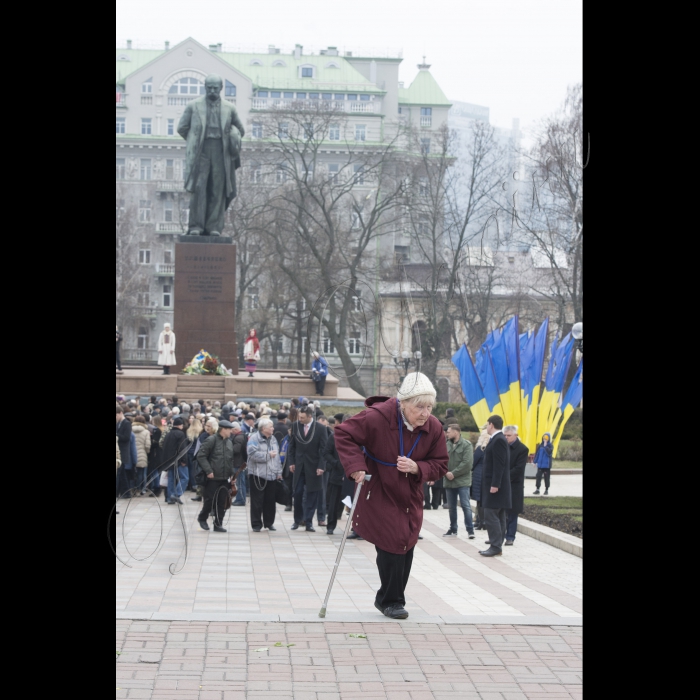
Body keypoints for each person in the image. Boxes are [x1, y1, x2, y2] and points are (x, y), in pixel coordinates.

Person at [334, 372, 448, 620]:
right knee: (391, 541)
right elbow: (343, 433)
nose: (425, 413)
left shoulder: (434, 427)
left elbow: (440, 463)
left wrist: (418, 468)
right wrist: (356, 466)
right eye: (419, 407)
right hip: (380, 488)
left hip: (411, 494)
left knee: (406, 543)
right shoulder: (376, 417)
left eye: (429, 407)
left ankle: (390, 597)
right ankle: (391, 600)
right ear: (402, 402)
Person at [177, 73, 245, 236]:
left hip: (221, 152)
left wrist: (232, 137)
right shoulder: (193, 106)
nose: (212, 90)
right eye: (209, 88)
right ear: (205, 88)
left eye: (215, 88)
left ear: (221, 88)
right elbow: (182, 127)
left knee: (217, 189)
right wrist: (194, 140)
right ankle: (196, 226)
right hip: (202, 150)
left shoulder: (230, 108)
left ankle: (214, 227)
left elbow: (240, 130)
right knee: (199, 188)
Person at [288, 405, 328, 532]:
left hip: (314, 467)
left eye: (302, 418)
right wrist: (291, 462)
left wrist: (322, 466)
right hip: (299, 466)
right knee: (298, 493)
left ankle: (309, 521)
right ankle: (297, 520)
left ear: (310, 417)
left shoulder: (320, 428)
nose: (300, 419)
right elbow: (292, 446)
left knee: (312, 495)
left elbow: (324, 449)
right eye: (299, 417)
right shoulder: (295, 426)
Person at [479, 415, 511, 557]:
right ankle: (497, 544)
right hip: (495, 485)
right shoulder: (497, 439)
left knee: (491, 515)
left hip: (495, 487)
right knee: (498, 515)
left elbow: (500, 464)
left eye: (487, 425)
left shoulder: (498, 440)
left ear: (491, 424)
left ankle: (495, 545)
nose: (487, 427)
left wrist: (495, 484)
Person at [196, 420, 236, 532]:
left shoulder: (229, 442)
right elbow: (201, 456)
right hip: (212, 478)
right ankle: (202, 518)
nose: (231, 432)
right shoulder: (211, 440)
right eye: (229, 430)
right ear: (223, 429)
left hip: (225, 478)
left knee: (222, 502)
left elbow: (230, 460)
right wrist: (208, 470)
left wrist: (232, 476)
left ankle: (218, 524)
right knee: (209, 500)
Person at [247, 418, 283, 532]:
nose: (273, 428)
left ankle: (269, 523)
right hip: (258, 474)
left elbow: (277, 457)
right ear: (263, 428)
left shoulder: (273, 439)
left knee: (270, 501)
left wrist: (278, 472)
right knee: (257, 501)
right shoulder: (254, 438)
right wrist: (267, 455)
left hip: (272, 474)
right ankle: (256, 524)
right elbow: (252, 454)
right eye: (271, 427)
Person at [442, 424, 475, 539]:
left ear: (456, 432)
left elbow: (467, 463)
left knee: (466, 505)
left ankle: (470, 530)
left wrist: (453, 473)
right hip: (449, 480)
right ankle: (453, 529)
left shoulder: (466, 445)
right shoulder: (445, 445)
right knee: (451, 507)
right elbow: (441, 460)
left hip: (462, 481)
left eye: (449, 432)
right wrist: (446, 472)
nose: (447, 434)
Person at [503, 425, 529, 546]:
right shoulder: (502, 446)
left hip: (514, 485)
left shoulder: (522, 449)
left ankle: (510, 536)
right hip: (502, 484)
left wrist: (503, 476)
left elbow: (518, 469)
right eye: (505, 435)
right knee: (501, 512)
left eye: (508, 435)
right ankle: (499, 535)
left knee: (512, 512)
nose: (506, 437)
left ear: (515, 435)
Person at [162, 416, 189, 505]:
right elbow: (182, 448)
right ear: (180, 425)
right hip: (179, 461)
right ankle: (176, 494)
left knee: (171, 479)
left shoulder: (168, 434)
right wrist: (184, 460)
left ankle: (170, 498)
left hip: (169, 461)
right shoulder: (180, 434)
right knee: (185, 478)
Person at [471, 428, 490, 530]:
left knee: (479, 501)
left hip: (478, 475)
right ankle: (482, 521)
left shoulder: (480, 449)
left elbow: (473, 462)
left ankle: (481, 521)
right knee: (484, 500)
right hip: (486, 475)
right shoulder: (491, 448)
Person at [116, 406, 133, 497]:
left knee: (119, 473)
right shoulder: (118, 423)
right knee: (121, 474)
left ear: (120, 413)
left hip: (122, 451)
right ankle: (126, 493)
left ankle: (121, 492)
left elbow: (126, 437)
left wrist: (116, 435)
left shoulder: (126, 423)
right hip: (118, 451)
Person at [132, 416, 152, 495]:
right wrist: (147, 452)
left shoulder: (131, 430)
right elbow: (147, 445)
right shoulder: (146, 432)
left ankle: (133, 488)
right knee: (142, 473)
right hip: (142, 453)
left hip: (132, 454)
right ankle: (141, 488)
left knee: (133, 472)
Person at [230, 421, 248, 506]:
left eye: (232, 430)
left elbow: (236, 450)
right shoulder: (242, 436)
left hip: (238, 463)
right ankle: (240, 499)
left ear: (236, 429)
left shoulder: (238, 438)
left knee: (240, 482)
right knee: (240, 482)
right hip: (240, 462)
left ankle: (240, 500)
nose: (231, 431)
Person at [186, 418, 203, 492]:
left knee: (190, 469)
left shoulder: (188, 431)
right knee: (197, 469)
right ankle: (197, 484)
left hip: (189, 452)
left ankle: (192, 484)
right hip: (196, 453)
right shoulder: (200, 431)